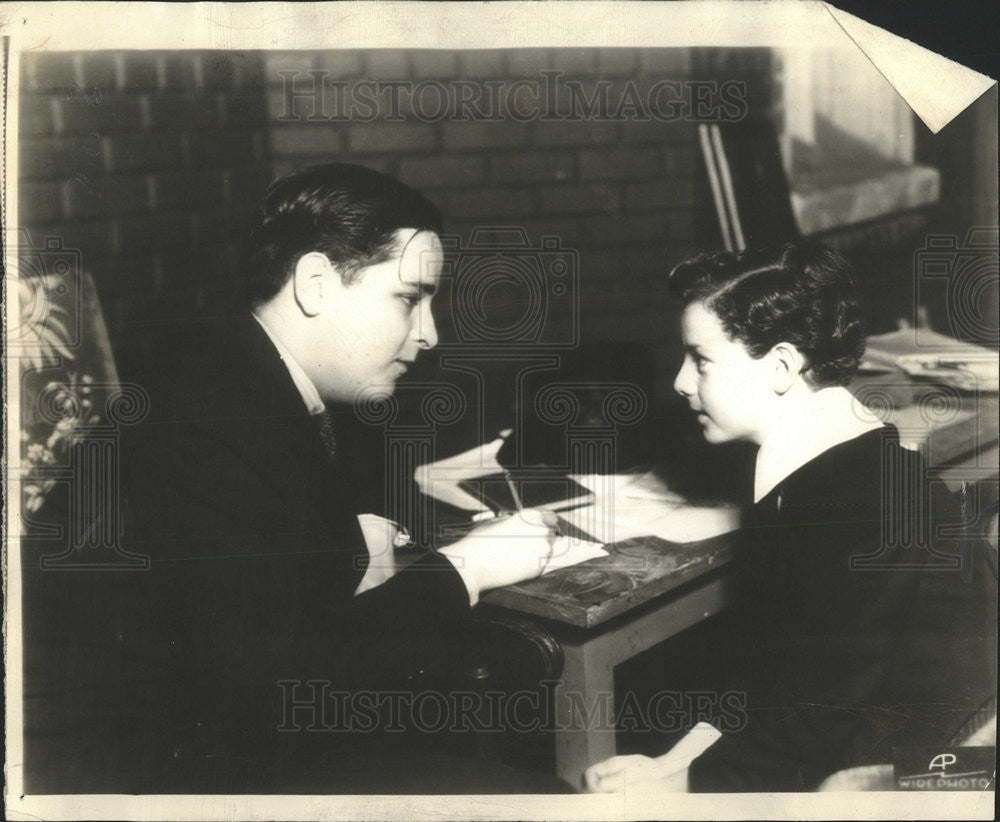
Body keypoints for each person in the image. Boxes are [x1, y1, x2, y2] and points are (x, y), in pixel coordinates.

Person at [24, 163, 567, 794]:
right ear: (316, 283)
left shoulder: (246, 370)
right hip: (131, 770)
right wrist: (465, 570)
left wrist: (351, 549)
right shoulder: (209, 415)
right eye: (409, 298)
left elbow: (246, 578)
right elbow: (268, 682)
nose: (429, 333)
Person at [585, 242, 997, 793]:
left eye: (701, 359)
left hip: (939, 770)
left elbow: (820, 723)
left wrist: (682, 783)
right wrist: (676, 760)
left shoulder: (859, 504)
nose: (682, 382)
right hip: (868, 739)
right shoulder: (835, 463)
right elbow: (782, 675)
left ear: (781, 365)